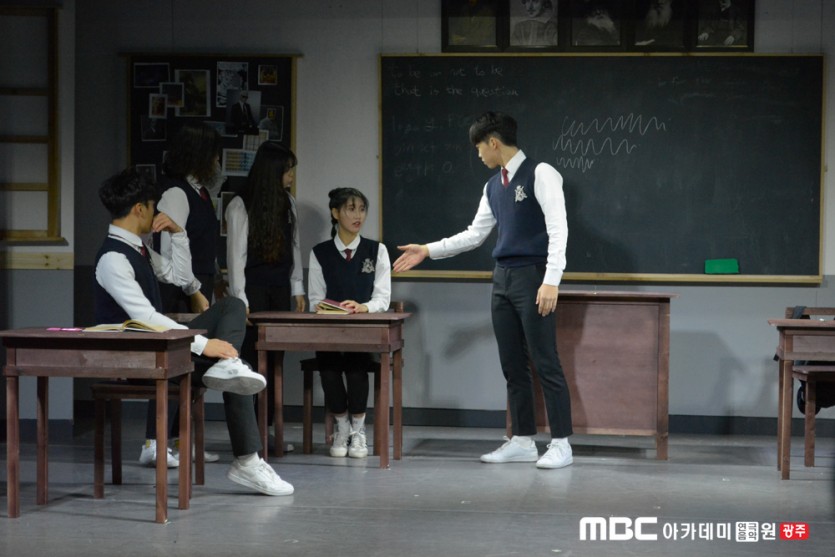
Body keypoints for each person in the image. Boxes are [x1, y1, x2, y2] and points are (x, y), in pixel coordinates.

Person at [94, 167, 293, 495]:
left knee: (232, 307)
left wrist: (178, 233)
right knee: (237, 372)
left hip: (161, 347)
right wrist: (202, 345)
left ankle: (227, 366)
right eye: (154, 207)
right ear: (140, 209)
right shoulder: (113, 258)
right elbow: (146, 318)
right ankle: (247, 461)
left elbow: (181, 277)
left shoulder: (139, 250)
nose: (157, 213)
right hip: (140, 356)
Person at [393, 112, 573, 470]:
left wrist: (552, 279)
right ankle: (522, 440)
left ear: (493, 142)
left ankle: (561, 443)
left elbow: (558, 227)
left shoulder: (541, 173)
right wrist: (428, 250)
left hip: (534, 276)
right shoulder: (493, 186)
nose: (478, 155)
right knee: (512, 364)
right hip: (502, 278)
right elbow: (474, 235)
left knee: (545, 360)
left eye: (479, 148)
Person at [141, 121, 224, 467]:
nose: (218, 161)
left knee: (189, 367)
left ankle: (177, 441)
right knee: (171, 365)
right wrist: (193, 290)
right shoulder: (176, 193)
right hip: (179, 291)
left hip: (198, 284)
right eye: (214, 154)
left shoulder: (200, 192)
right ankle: (153, 442)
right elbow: (168, 253)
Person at [225, 141, 305, 432]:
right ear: (273, 171)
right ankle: (248, 433)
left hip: (279, 290)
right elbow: (236, 258)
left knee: (274, 362)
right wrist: (241, 301)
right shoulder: (240, 204)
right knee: (249, 362)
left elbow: (294, 247)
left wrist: (297, 288)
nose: (291, 176)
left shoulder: (288, 202)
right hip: (253, 292)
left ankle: (267, 429)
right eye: (287, 171)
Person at [308, 187, 391, 458]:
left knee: (356, 368)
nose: (358, 216)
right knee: (329, 368)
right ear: (335, 213)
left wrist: (364, 307)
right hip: (329, 329)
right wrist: (326, 308)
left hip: (363, 329)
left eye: (362, 209)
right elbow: (315, 298)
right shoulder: (320, 252)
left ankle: (358, 430)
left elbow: (383, 298)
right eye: (351, 209)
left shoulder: (376, 250)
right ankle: (341, 427)